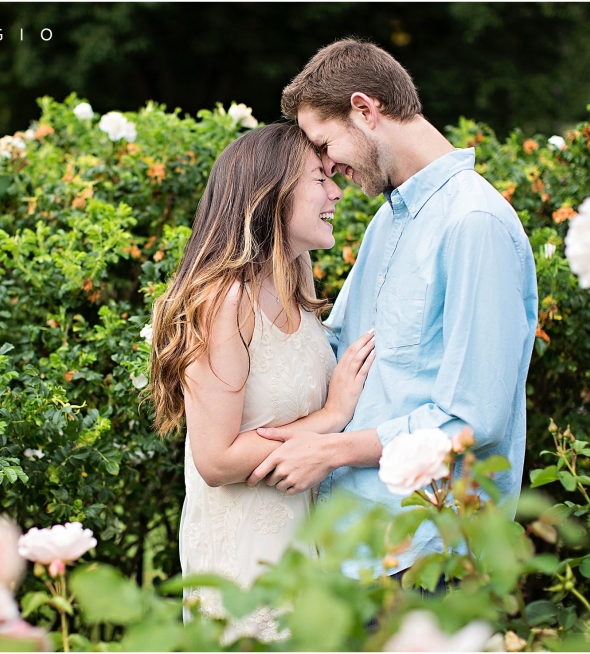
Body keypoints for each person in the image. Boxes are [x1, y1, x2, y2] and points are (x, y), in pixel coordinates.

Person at [247, 38, 538, 581]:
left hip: (429, 553)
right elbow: (338, 351)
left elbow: (475, 418)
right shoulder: (390, 221)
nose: (327, 166)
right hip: (358, 549)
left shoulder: (475, 224)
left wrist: (330, 452)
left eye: (325, 143)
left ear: (365, 110)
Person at [148, 123, 377, 637]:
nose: (336, 191)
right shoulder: (223, 301)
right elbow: (215, 458)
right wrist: (332, 417)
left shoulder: (297, 275)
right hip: (244, 564)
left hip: (306, 546)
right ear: (271, 193)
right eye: (320, 177)